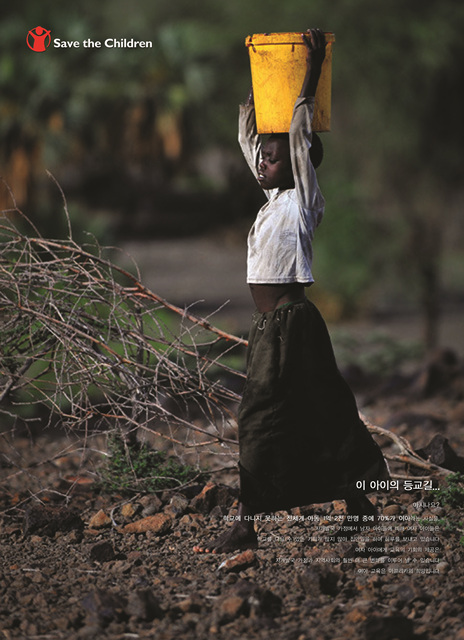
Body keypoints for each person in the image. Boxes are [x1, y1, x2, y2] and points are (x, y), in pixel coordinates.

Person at [194, 29, 389, 554]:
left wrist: (313, 63)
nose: (263, 161)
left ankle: (249, 523)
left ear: (300, 163)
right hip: (271, 328)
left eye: (273, 156)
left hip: (293, 325)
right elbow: (251, 140)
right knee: (315, 410)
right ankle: (360, 504)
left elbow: (299, 130)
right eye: (263, 156)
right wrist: (260, 96)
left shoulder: (303, 200)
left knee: (262, 415)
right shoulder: (271, 200)